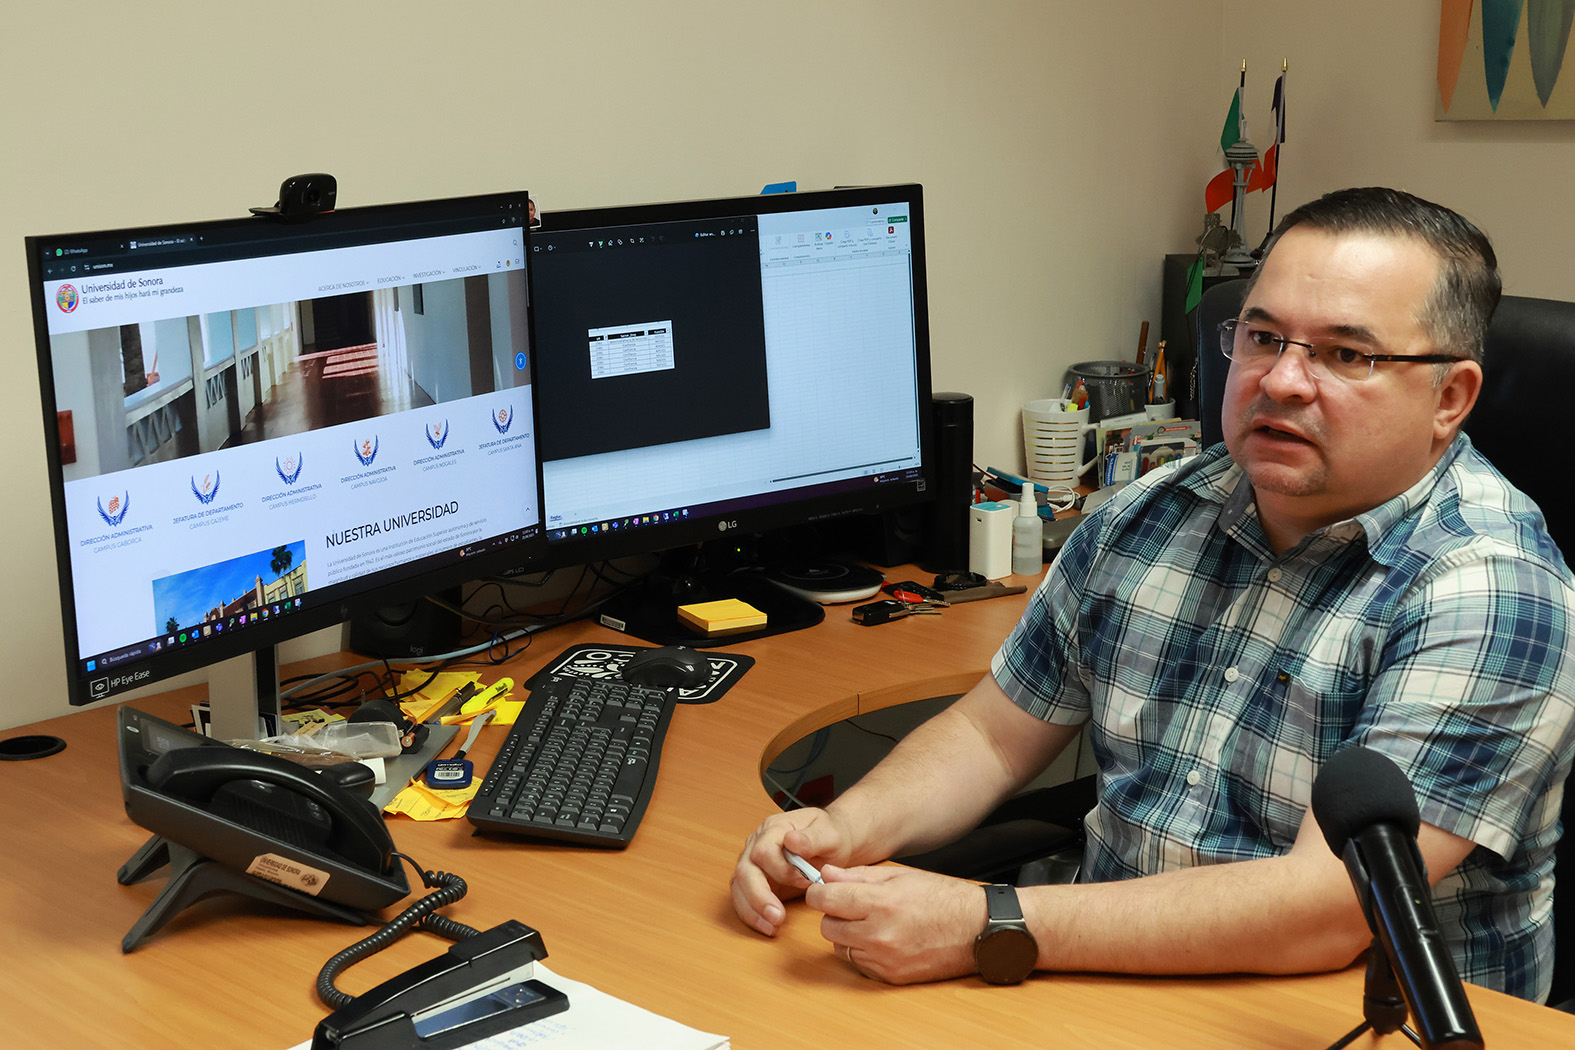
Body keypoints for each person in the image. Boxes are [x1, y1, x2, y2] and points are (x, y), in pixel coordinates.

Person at [730, 187, 1575, 1003]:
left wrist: (986, 921)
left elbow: (1327, 911)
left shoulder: (1490, 589)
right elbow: (991, 736)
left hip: (1351, 1018)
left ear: (1449, 397)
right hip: (1103, 976)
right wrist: (844, 829)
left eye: (1345, 354)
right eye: (1262, 337)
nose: (1281, 381)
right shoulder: (1149, 512)